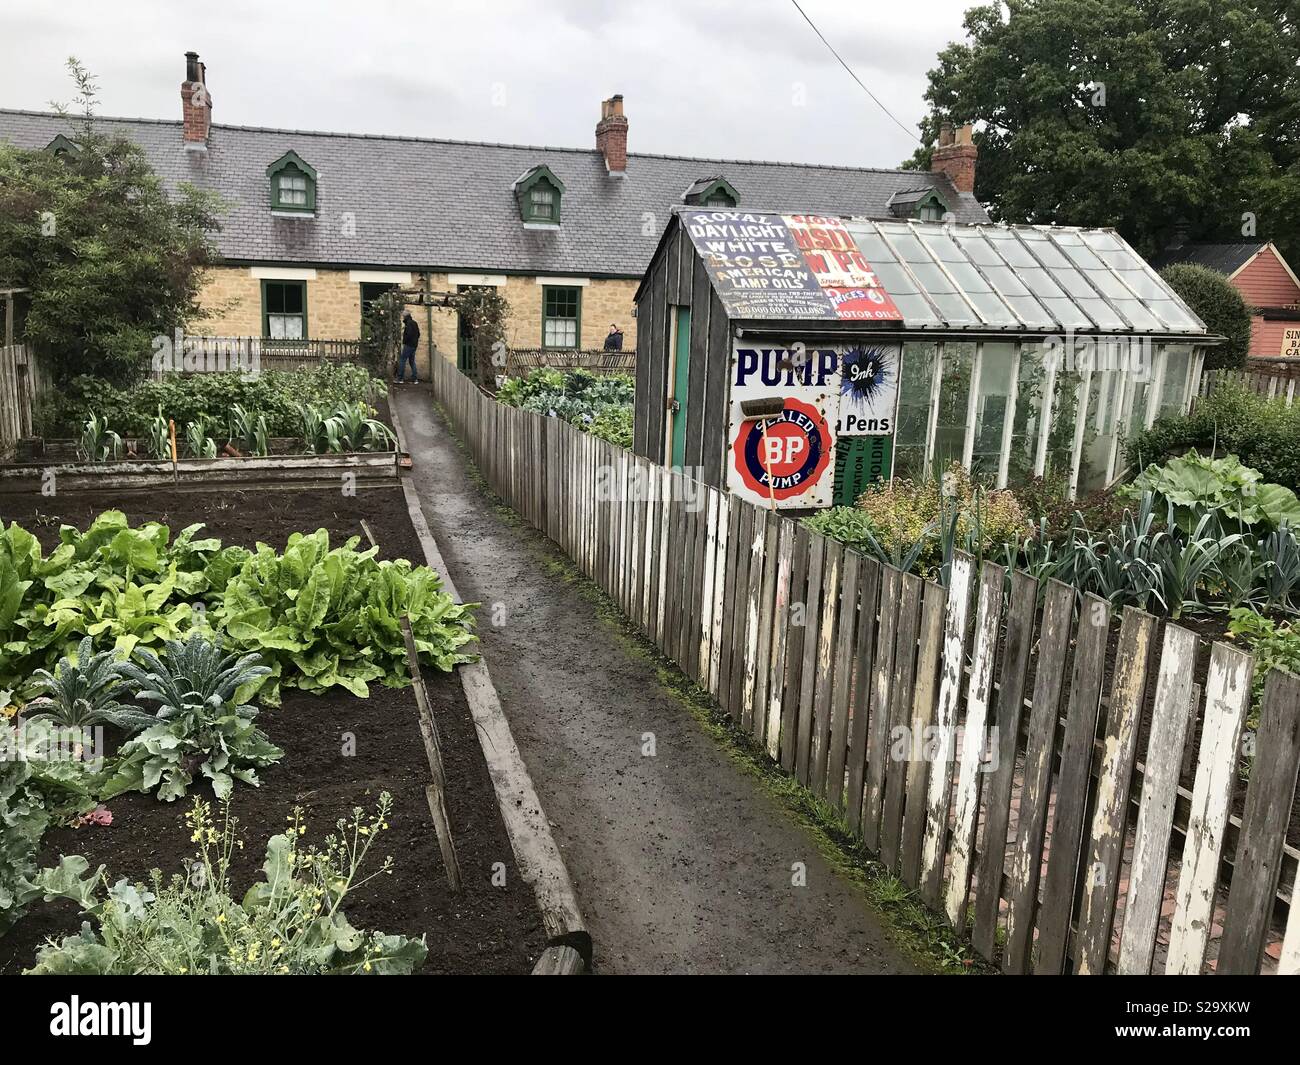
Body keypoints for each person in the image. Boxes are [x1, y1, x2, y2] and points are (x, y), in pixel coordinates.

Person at [396, 311, 420, 383]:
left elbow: (408, 334)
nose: (403, 317)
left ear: (405, 317)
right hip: (414, 345)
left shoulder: (408, 324)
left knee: (402, 360)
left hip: (408, 345)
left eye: (403, 316)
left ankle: (400, 378)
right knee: (412, 361)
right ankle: (415, 379)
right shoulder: (414, 323)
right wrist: (415, 341)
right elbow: (418, 334)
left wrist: (405, 341)